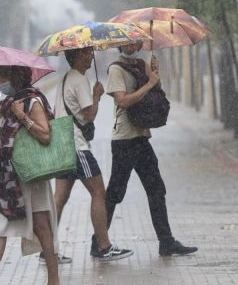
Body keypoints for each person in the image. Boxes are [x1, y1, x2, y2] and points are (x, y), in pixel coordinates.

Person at [104, 41, 198, 256]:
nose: (130, 46)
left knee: (156, 189)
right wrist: (148, 84)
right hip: (124, 140)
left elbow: (155, 94)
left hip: (141, 138)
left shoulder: (140, 64)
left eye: (134, 42)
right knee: (115, 193)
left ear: (139, 42)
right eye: (125, 43)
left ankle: (166, 242)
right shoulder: (115, 69)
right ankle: (98, 241)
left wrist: (154, 74)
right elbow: (123, 102)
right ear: (120, 44)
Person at [0, 65, 60, 285]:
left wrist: (22, 117)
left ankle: (54, 280)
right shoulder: (9, 104)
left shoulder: (32, 101)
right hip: (11, 179)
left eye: (1, 77)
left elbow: (46, 135)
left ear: (13, 77)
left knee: (41, 227)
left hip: (32, 175)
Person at [52, 47, 133, 261]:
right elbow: (89, 115)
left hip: (62, 145)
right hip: (77, 147)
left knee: (59, 198)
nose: (91, 56)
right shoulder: (79, 79)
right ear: (76, 56)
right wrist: (97, 96)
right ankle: (103, 246)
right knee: (99, 193)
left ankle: (47, 249)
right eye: (87, 53)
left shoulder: (65, 79)